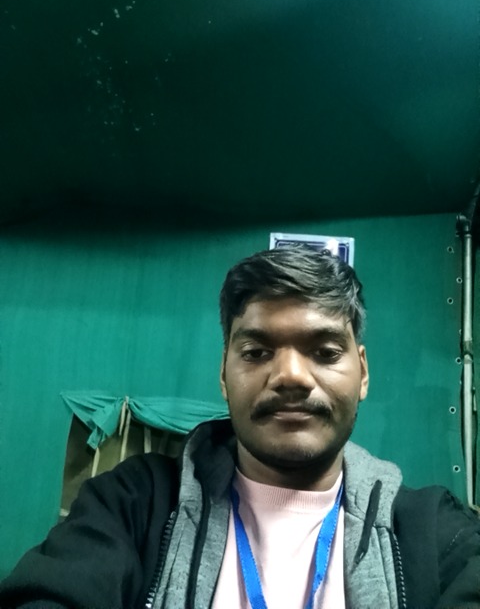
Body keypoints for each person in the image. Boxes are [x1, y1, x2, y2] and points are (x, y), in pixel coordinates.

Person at [1, 245, 479, 609]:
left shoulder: (434, 533)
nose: (290, 376)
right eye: (256, 352)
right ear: (223, 376)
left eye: (325, 352)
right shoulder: (132, 504)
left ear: (364, 372)